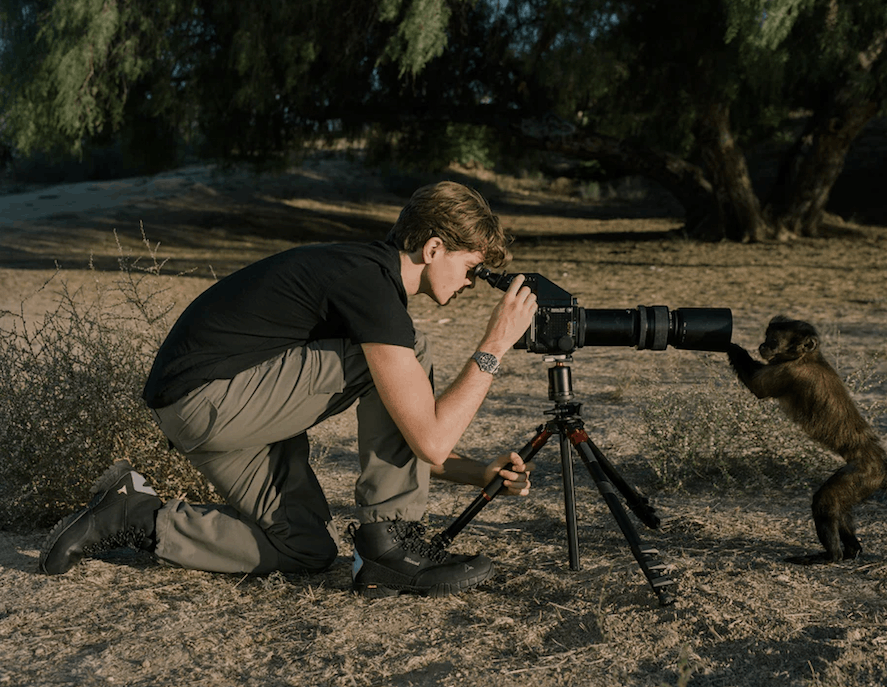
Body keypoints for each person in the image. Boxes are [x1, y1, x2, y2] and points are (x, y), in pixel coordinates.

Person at [39, 181, 538, 598]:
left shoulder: (362, 275)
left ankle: (134, 516)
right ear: (433, 249)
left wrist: (477, 473)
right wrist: (495, 342)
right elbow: (428, 438)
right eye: (471, 268)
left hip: (221, 414)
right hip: (214, 399)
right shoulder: (371, 283)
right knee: (411, 348)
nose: (473, 282)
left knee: (304, 549)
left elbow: (410, 432)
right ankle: (391, 544)